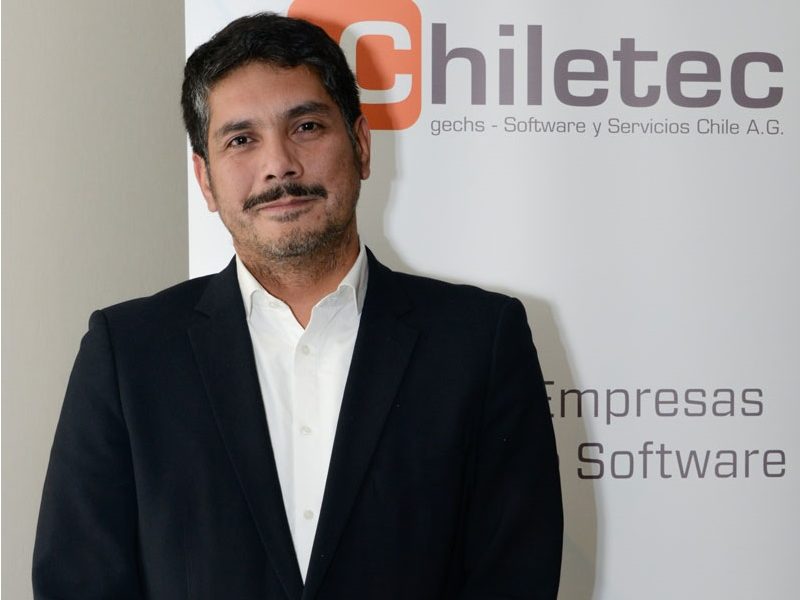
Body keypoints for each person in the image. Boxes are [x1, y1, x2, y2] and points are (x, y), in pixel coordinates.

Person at [32, 12, 562, 600]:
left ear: (361, 145)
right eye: (241, 140)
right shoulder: (128, 355)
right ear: (205, 180)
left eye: (306, 126)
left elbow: (515, 577)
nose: (279, 164)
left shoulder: (479, 342)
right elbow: (79, 583)